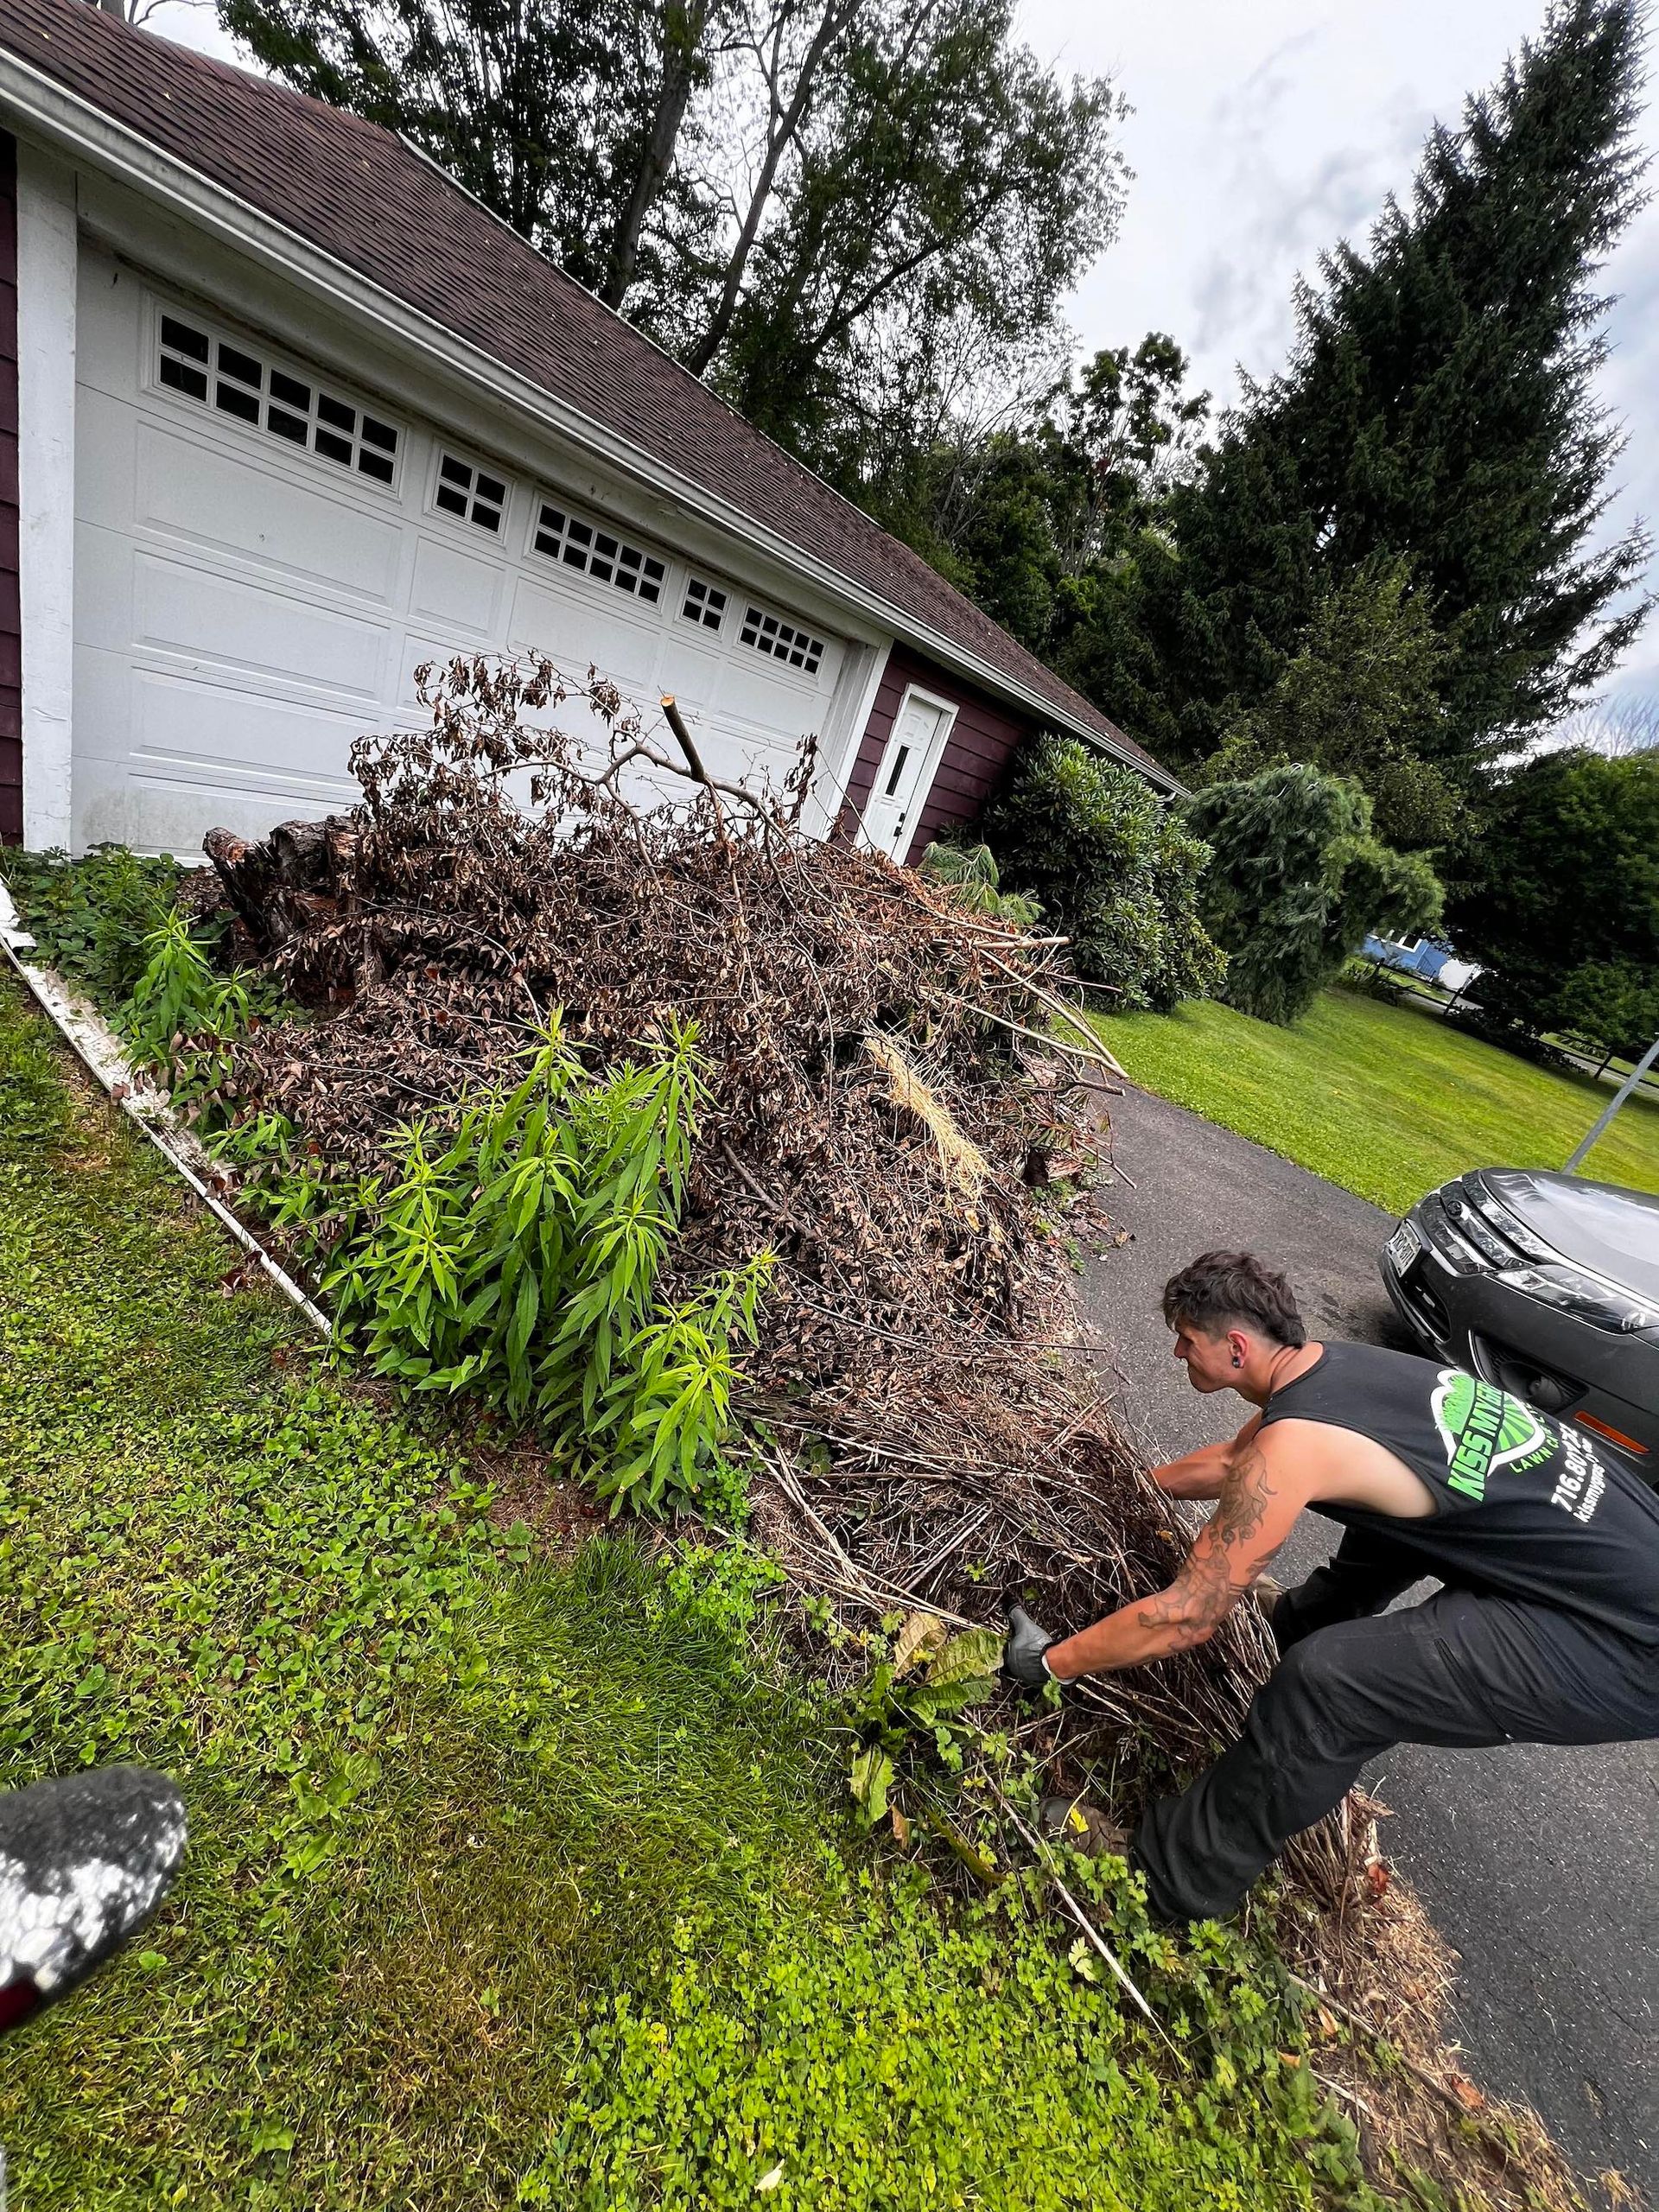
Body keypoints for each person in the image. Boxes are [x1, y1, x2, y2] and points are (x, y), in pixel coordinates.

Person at [1002, 1250, 1659, 1923]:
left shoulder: (1296, 1443)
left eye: (1186, 1340)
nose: (1176, 1352)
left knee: (1332, 1685)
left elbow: (1189, 1616)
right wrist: (1127, 1488)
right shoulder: (1331, 1370)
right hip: (1609, 1555)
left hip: (1622, 1642)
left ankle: (1166, 1885)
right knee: (1392, 1514)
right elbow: (1233, 1461)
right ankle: (1292, 1626)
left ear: (1236, 1347)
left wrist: (1051, 1663)